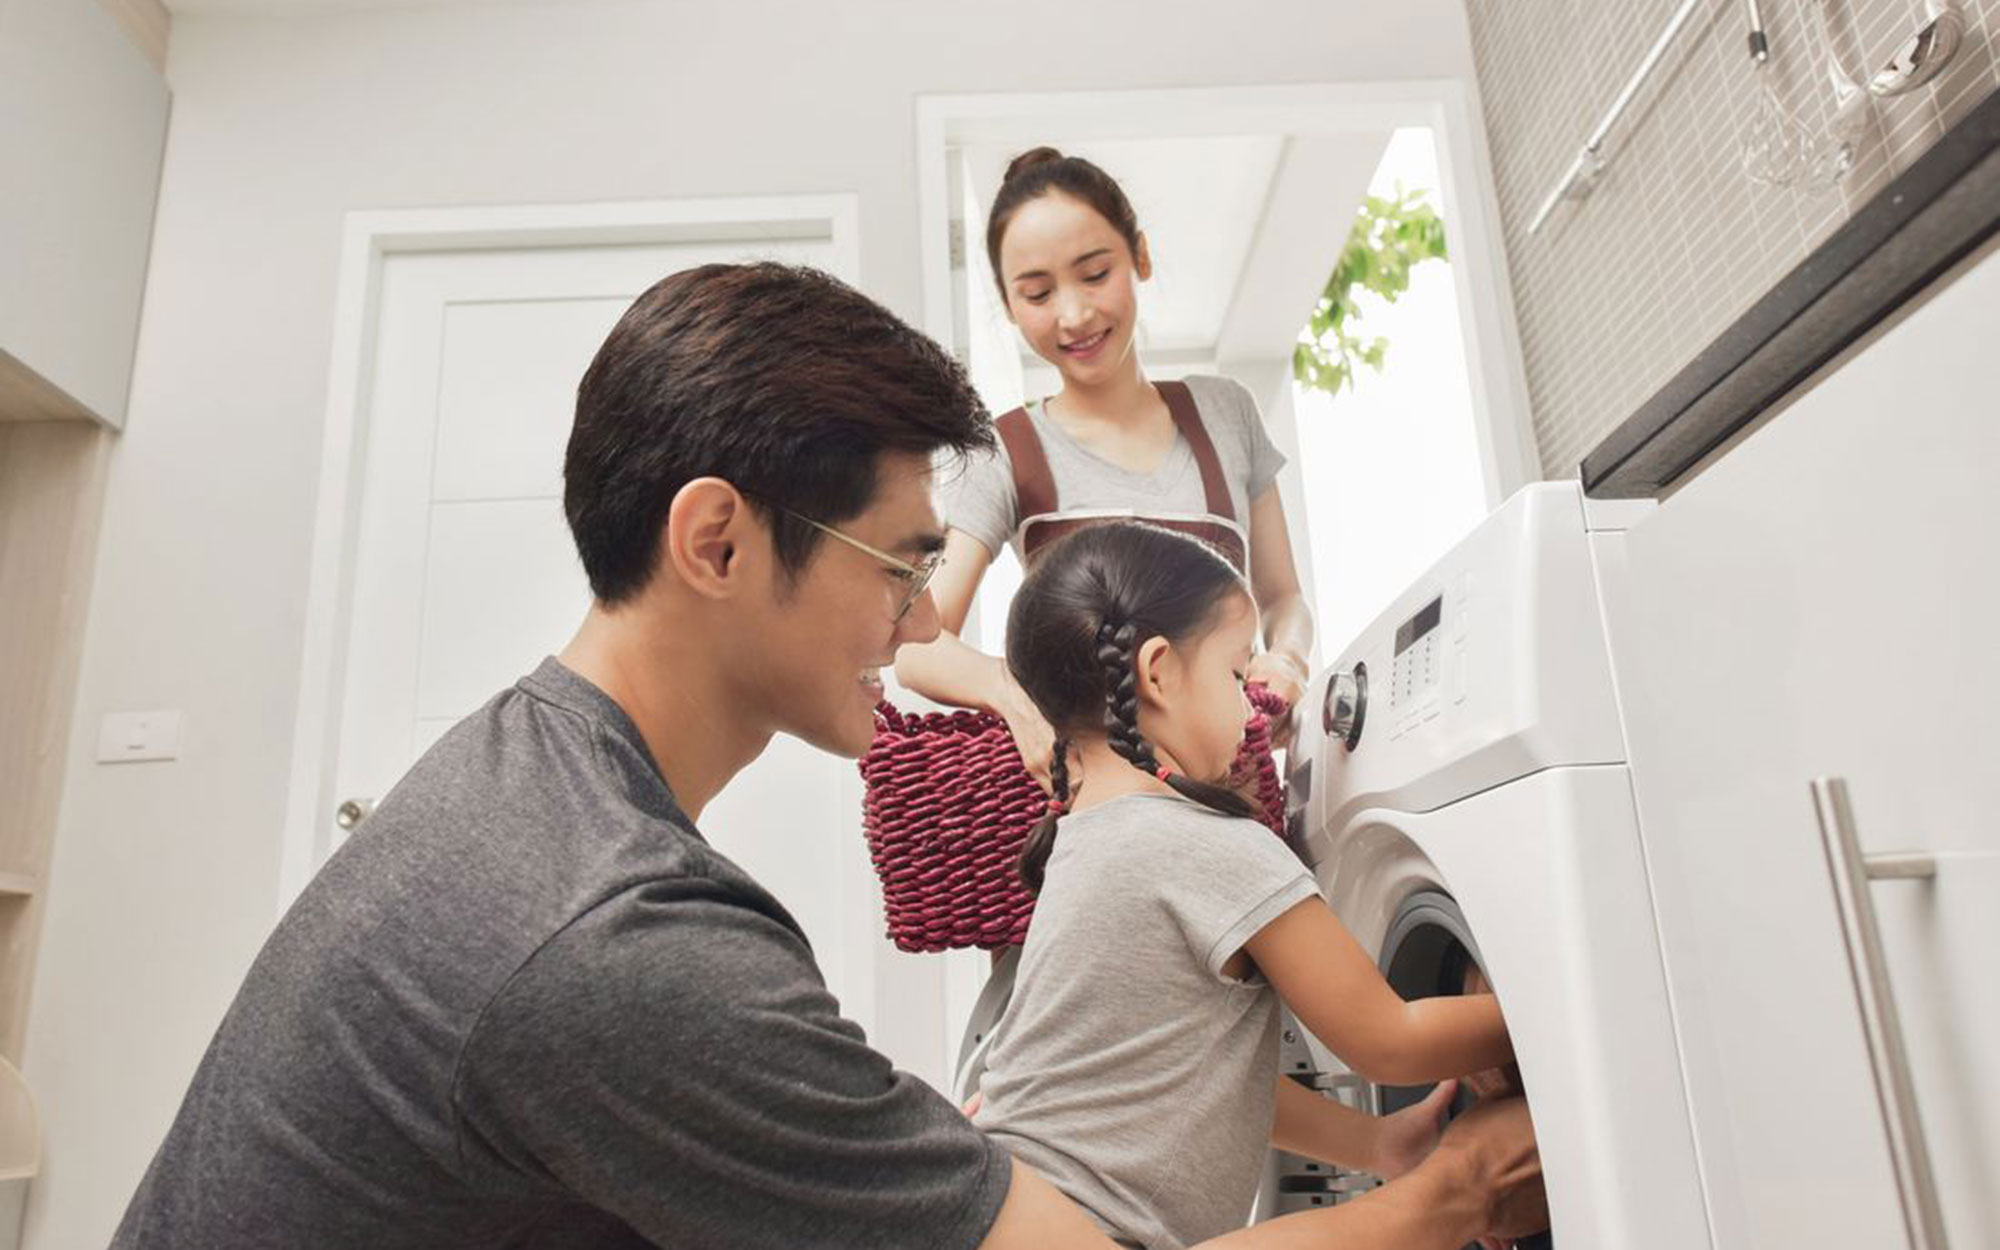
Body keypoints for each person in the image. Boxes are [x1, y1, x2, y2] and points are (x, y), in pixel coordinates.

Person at [111, 263, 1541, 1249]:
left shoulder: (523, 775)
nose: (920, 623)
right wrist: (1440, 1197)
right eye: (900, 565)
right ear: (717, 541)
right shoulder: (619, 942)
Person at [973, 521, 1534, 1250]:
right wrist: (1550, 1011)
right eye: (1237, 676)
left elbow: (1192, 1079)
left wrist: (1378, 1143)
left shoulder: (1083, 841)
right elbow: (1390, 1039)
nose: (1247, 711)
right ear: (1158, 672)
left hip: (1003, 1210)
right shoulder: (1208, 844)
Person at [897, 147, 1313, 784]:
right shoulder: (1008, 451)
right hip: (1098, 797)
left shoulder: (1226, 415)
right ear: (1009, 305)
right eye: (1037, 293)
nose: (1074, 315)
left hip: (1237, 790)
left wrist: (1286, 658)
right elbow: (918, 644)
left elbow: (1283, 599)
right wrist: (1012, 694)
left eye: (1094, 274)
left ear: (1139, 257)